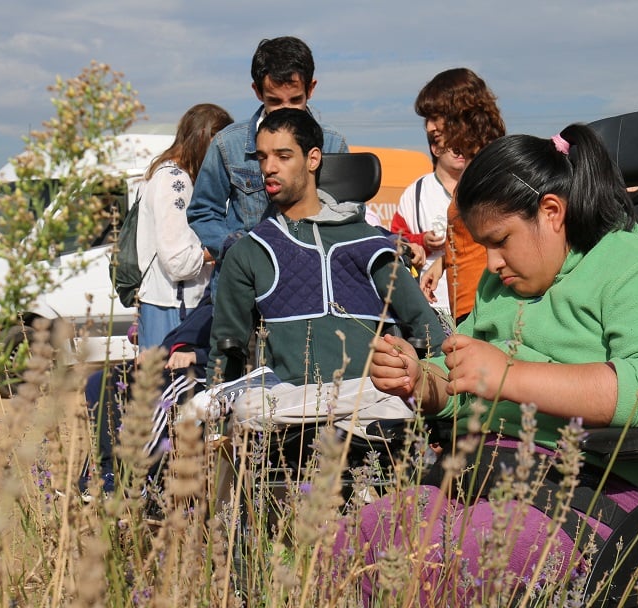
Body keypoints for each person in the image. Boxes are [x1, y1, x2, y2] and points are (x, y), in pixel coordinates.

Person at [341, 128, 638, 604]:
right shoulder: (501, 290)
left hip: (590, 489)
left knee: (442, 565)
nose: (491, 264)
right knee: (346, 544)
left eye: (501, 240)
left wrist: (508, 376)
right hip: (483, 475)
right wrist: (422, 379)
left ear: (551, 212)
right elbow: (465, 378)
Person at [205, 108, 444, 449]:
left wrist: (440, 407)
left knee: (393, 398)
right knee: (247, 406)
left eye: (283, 156)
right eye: (262, 157)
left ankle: (347, 428)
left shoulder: (371, 245)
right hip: (290, 402)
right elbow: (223, 349)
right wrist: (211, 422)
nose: (269, 167)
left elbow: (427, 328)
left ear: (313, 158)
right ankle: (347, 428)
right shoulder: (249, 251)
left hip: (369, 392)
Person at [187, 36, 348, 268]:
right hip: (246, 287)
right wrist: (236, 250)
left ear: (311, 89)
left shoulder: (333, 144)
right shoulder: (228, 143)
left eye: (295, 100)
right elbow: (203, 210)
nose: (286, 110)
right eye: (275, 101)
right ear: (257, 91)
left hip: (312, 278)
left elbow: (349, 213)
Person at [80, 290, 214, 496]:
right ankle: (105, 472)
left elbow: (240, 343)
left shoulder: (240, 289)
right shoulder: (213, 289)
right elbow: (180, 335)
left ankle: (134, 480)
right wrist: (159, 351)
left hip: (196, 370)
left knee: (161, 400)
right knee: (100, 382)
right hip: (167, 360)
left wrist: (197, 355)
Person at [412, 68, 506, 324]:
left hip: (489, 306)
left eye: (436, 117)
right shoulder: (473, 167)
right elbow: (476, 237)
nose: (430, 127)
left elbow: (505, 236)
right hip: (469, 306)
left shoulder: (491, 167)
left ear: (463, 113)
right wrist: (443, 262)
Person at [136, 103, 232, 348]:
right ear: (204, 137)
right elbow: (178, 261)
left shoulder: (167, 174)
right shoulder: (174, 181)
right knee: (175, 383)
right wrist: (227, 248)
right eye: (220, 143)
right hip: (176, 306)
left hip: (171, 304)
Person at [391, 132, 463, 326]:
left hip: (474, 298)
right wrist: (422, 241)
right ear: (436, 148)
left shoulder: (479, 187)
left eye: (464, 145)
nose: (460, 152)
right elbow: (396, 239)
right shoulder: (416, 192)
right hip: (433, 302)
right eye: (453, 146)